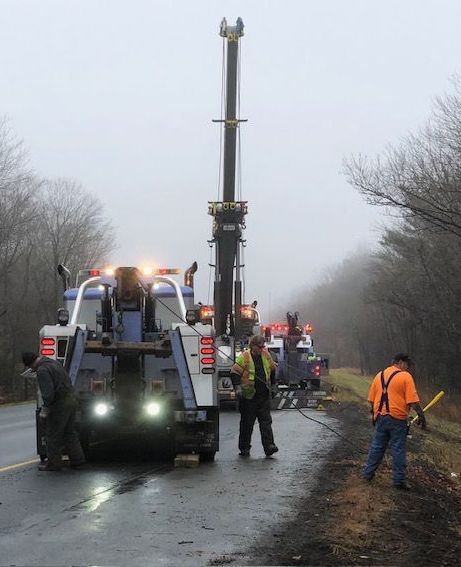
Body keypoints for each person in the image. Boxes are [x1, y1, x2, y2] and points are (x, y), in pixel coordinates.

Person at [362, 353, 427, 489]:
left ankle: (367, 474)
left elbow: (372, 400)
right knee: (398, 449)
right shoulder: (405, 376)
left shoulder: (379, 376)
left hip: (380, 417)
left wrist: (374, 415)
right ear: (401, 362)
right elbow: (413, 401)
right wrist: (422, 417)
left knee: (377, 447)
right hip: (397, 419)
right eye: (407, 365)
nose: (407, 368)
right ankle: (398, 481)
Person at [22, 352, 86, 471]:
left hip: (60, 404)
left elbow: (48, 393)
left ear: (30, 364)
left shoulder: (42, 370)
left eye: (30, 367)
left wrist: (45, 409)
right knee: (69, 432)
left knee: (53, 434)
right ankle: (78, 460)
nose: (31, 369)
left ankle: (54, 463)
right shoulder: (54, 363)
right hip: (71, 400)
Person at [230, 335, 278, 457]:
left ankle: (269, 446)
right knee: (247, 424)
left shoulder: (266, 355)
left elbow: (272, 370)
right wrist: (238, 387)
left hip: (263, 396)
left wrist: (273, 385)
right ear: (253, 346)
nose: (262, 349)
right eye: (260, 347)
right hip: (248, 397)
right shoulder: (244, 357)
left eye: (263, 346)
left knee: (266, 422)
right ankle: (244, 448)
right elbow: (235, 372)